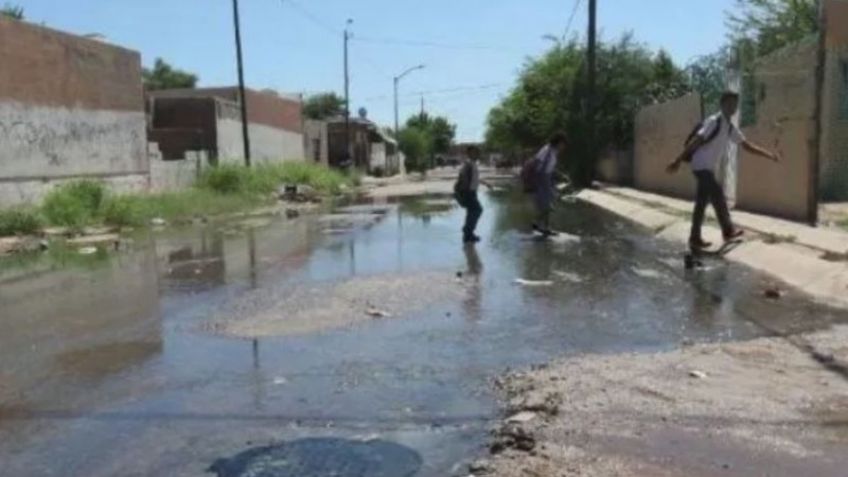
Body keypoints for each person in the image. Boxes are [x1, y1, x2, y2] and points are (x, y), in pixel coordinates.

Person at [667, 91, 780, 249]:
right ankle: (727, 231)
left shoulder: (729, 127)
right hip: (700, 166)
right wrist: (678, 160)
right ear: (722, 104)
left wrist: (768, 155)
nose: (732, 107)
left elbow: (747, 146)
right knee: (718, 194)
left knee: (702, 202)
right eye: (729, 104)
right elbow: (696, 141)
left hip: (707, 168)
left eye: (734, 104)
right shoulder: (714, 121)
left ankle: (695, 237)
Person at [454, 145, 491, 244]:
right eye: (475, 152)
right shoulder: (468, 164)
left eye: (477, 152)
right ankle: (468, 231)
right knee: (477, 210)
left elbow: (475, 179)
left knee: (472, 212)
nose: (477, 154)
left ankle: (468, 234)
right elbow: (462, 177)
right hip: (469, 192)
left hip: (472, 192)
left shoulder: (473, 164)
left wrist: (486, 183)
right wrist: (465, 191)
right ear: (469, 153)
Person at [532, 133, 567, 236]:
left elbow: (550, 167)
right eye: (563, 144)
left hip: (547, 178)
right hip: (542, 178)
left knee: (548, 205)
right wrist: (540, 179)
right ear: (559, 142)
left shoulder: (553, 151)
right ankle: (538, 224)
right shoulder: (546, 149)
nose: (563, 146)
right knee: (547, 205)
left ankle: (544, 227)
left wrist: (561, 174)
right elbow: (537, 162)